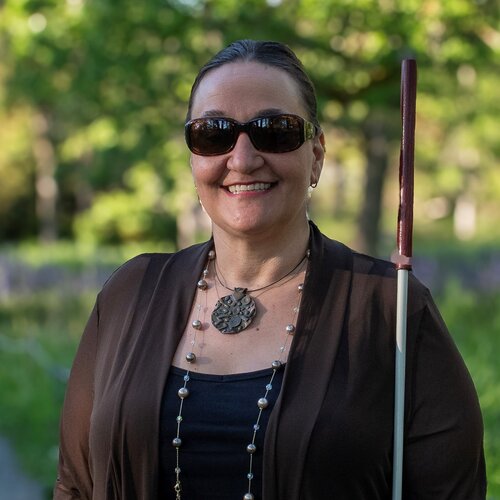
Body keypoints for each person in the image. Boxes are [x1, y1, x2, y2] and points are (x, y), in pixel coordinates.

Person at [54, 40, 486, 500]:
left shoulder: (393, 309)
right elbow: (76, 485)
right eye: (213, 133)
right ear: (193, 157)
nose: (241, 159)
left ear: (316, 154)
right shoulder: (129, 293)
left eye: (275, 131)